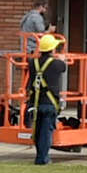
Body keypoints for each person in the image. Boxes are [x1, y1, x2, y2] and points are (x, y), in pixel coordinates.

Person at [29, 33, 67, 165]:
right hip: (50, 103)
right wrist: (62, 58)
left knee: (38, 130)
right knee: (46, 131)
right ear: (52, 49)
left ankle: (40, 155)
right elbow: (63, 67)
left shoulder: (32, 63)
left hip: (36, 102)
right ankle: (42, 158)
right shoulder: (57, 64)